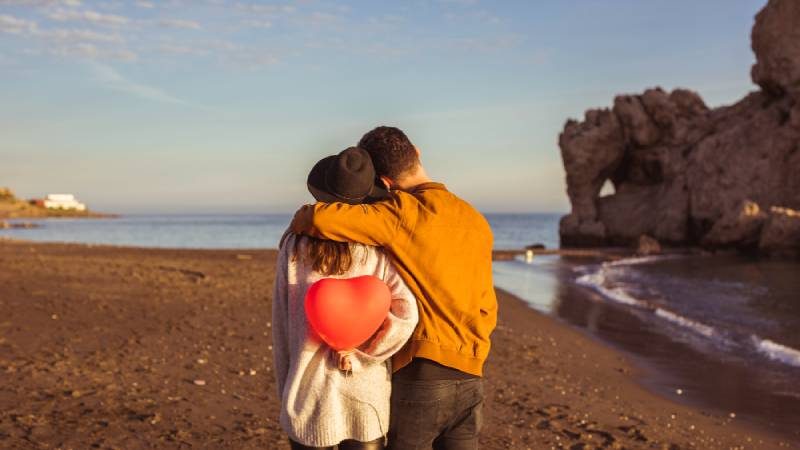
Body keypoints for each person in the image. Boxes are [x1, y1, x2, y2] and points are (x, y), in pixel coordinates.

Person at [291, 126, 497, 450]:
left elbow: (321, 220)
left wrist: (299, 219)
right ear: (416, 151)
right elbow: (487, 304)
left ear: (384, 183)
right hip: (472, 375)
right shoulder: (475, 219)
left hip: (422, 378)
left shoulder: (401, 213)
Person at [272, 146, 419, 450]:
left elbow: (281, 321)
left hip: (308, 392)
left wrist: (286, 386)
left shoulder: (294, 247)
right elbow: (407, 314)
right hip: (366, 394)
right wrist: (365, 354)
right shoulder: (378, 251)